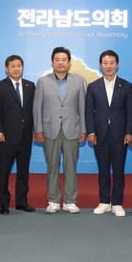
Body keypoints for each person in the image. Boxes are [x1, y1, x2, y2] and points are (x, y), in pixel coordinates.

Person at [33, 46, 87, 214]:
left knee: (71, 166)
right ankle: (53, 200)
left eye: (64, 60)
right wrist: (38, 130)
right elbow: (37, 107)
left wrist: (84, 129)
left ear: (69, 62)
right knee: (52, 166)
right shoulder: (43, 81)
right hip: (49, 130)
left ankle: (70, 201)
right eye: (57, 60)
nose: (61, 62)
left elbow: (83, 107)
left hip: (72, 129)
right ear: (52, 62)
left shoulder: (79, 81)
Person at [85, 50, 132, 217]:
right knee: (103, 170)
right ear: (100, 65)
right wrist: (91, 131)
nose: (108, 66)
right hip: (100, 135)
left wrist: (129, 132)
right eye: (105, 63)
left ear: (117, 65)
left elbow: (131, 112)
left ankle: (118, 203)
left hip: (120, 135)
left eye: (112, 63)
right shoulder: (93, 86)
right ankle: (104, 202)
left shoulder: (126, 86)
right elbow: (88, 112)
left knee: (119, 170)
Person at [0, 55, 36, 214]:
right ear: (6, 68)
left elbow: (33, 111)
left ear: (22, 67)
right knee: (3, 171)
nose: (16, 69)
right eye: (13, 66)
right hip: (6, 136)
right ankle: (4, 203)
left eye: (19, 66)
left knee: (23, 171)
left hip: (25, 136)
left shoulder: (30, 85)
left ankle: (22, 202)